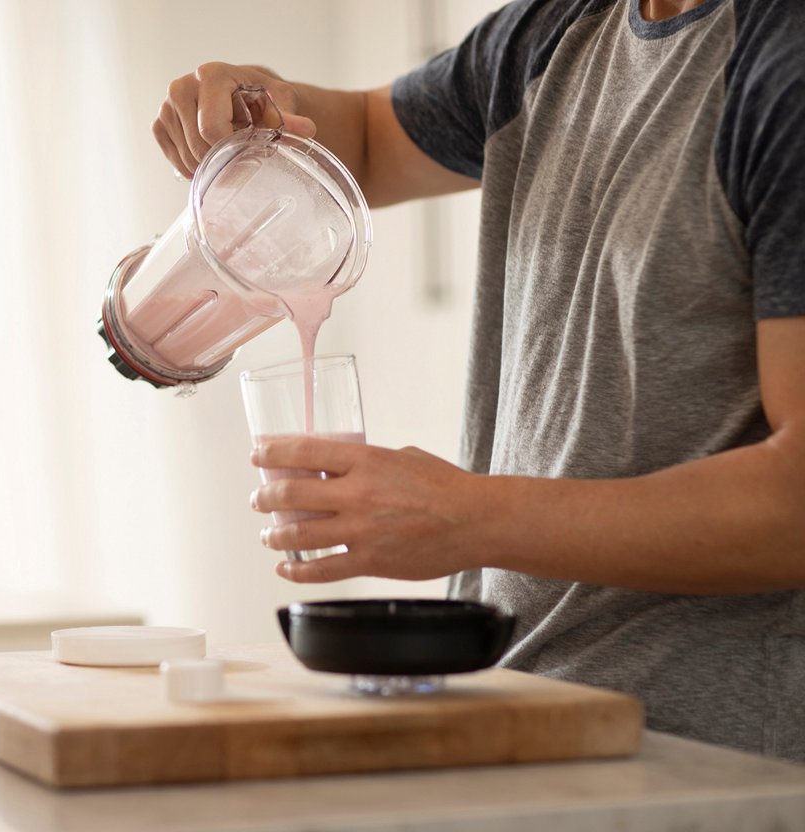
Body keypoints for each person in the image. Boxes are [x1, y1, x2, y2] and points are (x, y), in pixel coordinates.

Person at [154, 0, 805, 762]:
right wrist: (255, 107)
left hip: (715, 763)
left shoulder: (780, 63)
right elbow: (363, 136)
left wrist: (471, 519)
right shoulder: (554, 34)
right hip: (531, 716)